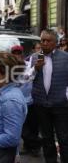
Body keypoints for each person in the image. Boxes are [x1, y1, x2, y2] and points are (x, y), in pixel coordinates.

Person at [31, 29, 68, 163]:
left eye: (48, 41)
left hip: (61, 105)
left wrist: (66, 96)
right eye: (42, 40)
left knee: (63, 138)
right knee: (46, 138)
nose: (44, 43)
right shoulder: (35, 57)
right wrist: (35, 69)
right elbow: (26, 79)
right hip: (41, 104)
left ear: (55, 42)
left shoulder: (65, 57)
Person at [11, 45, 42, 157]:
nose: (17, 55)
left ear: (22, 54)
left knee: (33, 126)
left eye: (19, 53)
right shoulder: (9, 68)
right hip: (18, 104)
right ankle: (38, 143)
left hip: (31, 101)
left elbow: (30, 76)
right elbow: (27, 77)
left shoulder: (29, 65)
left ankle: (31, 147)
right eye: (14, 53)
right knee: (23, 129)